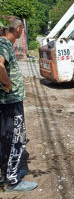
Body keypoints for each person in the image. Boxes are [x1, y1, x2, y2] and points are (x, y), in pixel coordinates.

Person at [0, 16, 37, 192]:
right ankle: (13, 181)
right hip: (10, 102)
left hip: (7, 103)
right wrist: (8, 84)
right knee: (15, 140)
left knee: (6, 139)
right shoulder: (5, 44)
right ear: (18, 30)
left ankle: (7, 175)